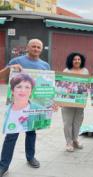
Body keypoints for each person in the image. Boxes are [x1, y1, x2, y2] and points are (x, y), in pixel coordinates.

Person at [0, 39, 53, 177]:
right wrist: (10, 68)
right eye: (33, 46)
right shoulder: (16, 61)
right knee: (11, 135)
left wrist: (51, 102)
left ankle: (30, 157)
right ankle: (3, 165)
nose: (36, 49)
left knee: (31, 133)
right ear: (27, 48)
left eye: (38, 47)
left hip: (34, 105)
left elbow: (48, 85)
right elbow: (2, 76)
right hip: (17, 105)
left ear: (41, 49)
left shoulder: (45, 65)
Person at [61, 52, 89, 152]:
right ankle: (68, 142)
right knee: (68, 122)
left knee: (78, 122)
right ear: (71, 61)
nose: (77, 61)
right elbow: (61, 86)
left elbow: (87, 84)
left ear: (81, 61)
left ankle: (75, 140)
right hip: (68, 102)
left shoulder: (85, 71)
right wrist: (60, 99)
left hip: (80, 102)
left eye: (78, 59)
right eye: (74, 59)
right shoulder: (66, 71)